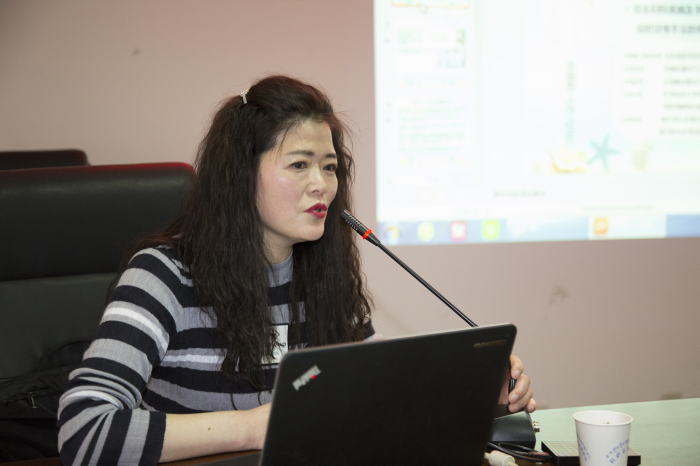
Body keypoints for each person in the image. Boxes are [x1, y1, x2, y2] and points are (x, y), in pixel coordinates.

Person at [57, 75, 535, 465]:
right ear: (241, 175)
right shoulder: (163, 276)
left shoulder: (324, 277)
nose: (321, 185)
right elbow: (85, 429)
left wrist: (479, 392)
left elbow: (383, 397)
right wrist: (254, 427)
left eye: (329, 167)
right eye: (300, 165)